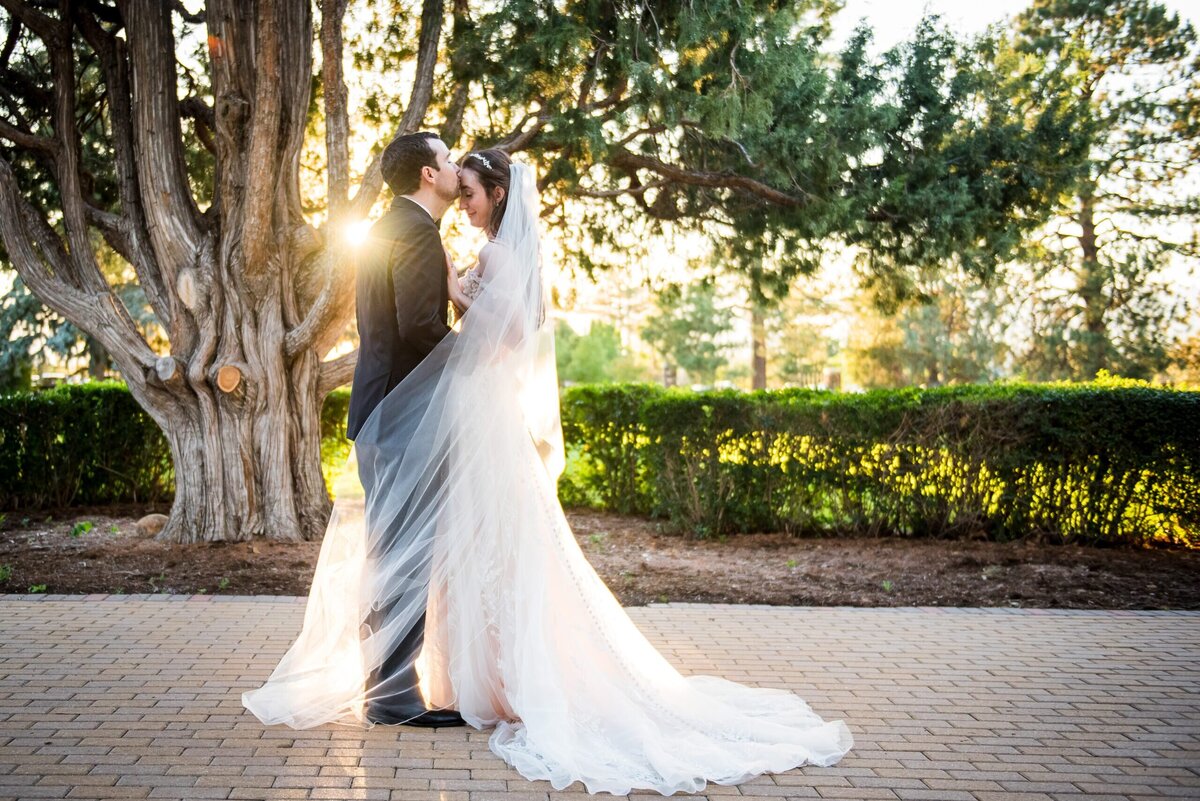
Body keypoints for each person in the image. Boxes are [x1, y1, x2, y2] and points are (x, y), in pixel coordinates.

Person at [242, 141, 854, 796]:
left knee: (405, 550)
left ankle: (401, 685)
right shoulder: (417, 234)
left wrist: (467, 326)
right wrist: (465, 353)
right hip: (405, 417)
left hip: (385, 413)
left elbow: (454, 326)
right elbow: (421, 329)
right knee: (405, 554)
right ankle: (392, 693)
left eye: (468, 179)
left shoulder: (392, 228)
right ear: (430, 174)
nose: (456, 176)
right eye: (449, 164)